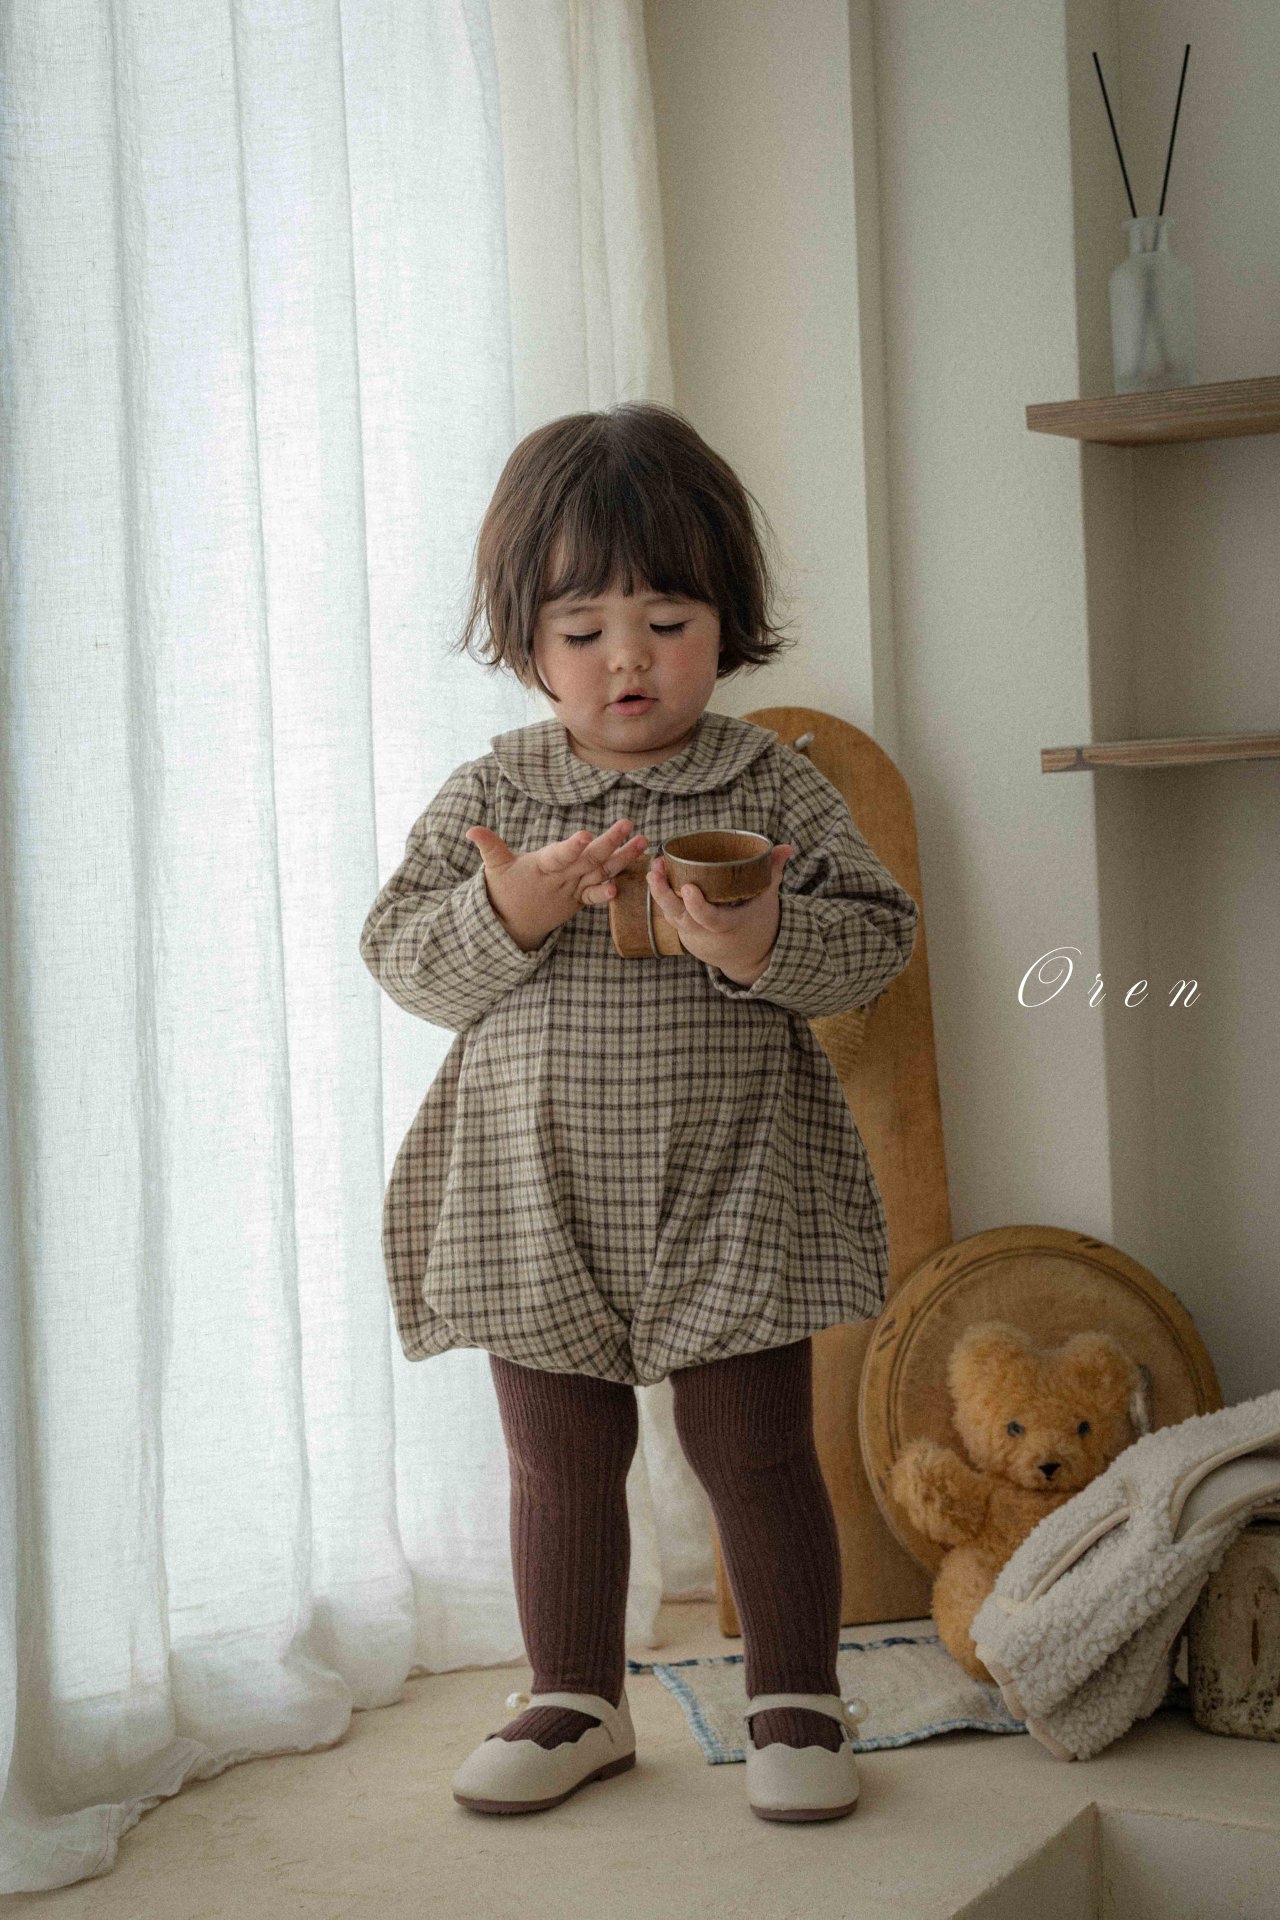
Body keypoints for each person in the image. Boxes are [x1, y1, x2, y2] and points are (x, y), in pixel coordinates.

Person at [359, 401, 920, 1819]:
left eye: (667, 622)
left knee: (756, 1452)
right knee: (558, 1463)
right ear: (525, 642)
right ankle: (574, 1699)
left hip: (730, 1184)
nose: (628, 658)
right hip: (535, 1191)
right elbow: (402, 957)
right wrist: (509, 908)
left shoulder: (771, 782)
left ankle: (796, 1701)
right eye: (583, 628)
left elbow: (877, 939)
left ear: (726, 624)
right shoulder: (497, 790)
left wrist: (759, 941)